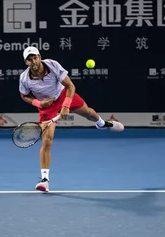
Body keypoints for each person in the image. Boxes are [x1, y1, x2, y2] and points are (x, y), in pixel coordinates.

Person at [19, 46, 124, 192]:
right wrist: (39, 103)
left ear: (39, 56)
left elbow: (70, 86)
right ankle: (45, 180)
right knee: (47, 141)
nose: (33, 61)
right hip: (47, 106)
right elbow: (24, 96)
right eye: (29, 60)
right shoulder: (24, 78)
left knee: (88, 113)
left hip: (63, 95)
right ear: (26, 62)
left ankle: (101, 123)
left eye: (35, 57)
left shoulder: (52, 65)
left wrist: (66, 105)